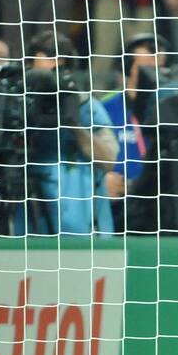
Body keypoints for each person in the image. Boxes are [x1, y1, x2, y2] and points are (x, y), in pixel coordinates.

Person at [21, 32, 118, 235]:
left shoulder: (87, 106)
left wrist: (73, 123)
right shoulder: (19, 107)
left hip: (85, 228)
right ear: (30, 65)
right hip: (35, 226)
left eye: (61, 60)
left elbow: (108, 159)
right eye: (49, 57)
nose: (56, 66)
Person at [101, 34, 169, 234]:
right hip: (119, 208)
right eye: (147, 66)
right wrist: (99, 180)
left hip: (162, 207)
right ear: (126, 70)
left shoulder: (175, 108)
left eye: (160, 66)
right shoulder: (104, 108)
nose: (155, 73)